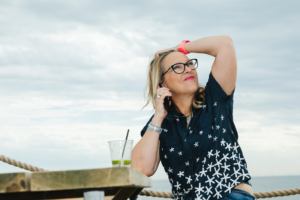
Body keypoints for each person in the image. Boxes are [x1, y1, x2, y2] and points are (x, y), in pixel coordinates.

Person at [131, 36, 256, 200]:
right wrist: (158, 116)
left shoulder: (216, 99)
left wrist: (179, 48)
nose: (188, 69)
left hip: (229, 195)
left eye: (189, 64)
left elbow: (224, 44)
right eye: (177, 67)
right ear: (162, 83)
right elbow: (140, 169)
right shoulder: (160, 123)